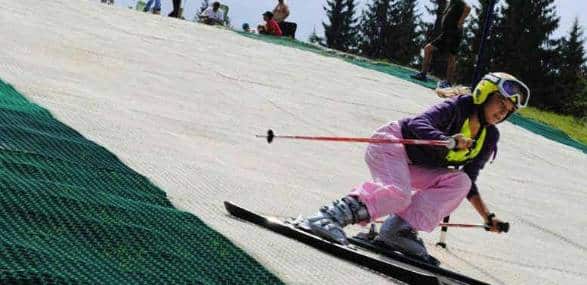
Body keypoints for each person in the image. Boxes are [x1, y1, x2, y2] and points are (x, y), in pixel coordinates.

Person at [304, 73, 530, 261]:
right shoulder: (458, 106)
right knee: (399, 194)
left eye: (509, 109)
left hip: (415, 165)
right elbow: (417, 123)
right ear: (484, 93)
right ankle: (327, 217)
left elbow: (470, 180)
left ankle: (397, 230)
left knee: (460, 182)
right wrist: (447, 139)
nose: (503, 111)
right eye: (501, 102)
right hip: (392, 143)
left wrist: (487, 217)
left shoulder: (489, 136)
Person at [411, 0, 471, 89]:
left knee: (451, 56)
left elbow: (468, 8)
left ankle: (448, 82)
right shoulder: (451, 3)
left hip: (454, 33)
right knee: (428, 48)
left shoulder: (458, 2)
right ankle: (423, 74)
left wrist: (461, 21)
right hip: (446, 33)